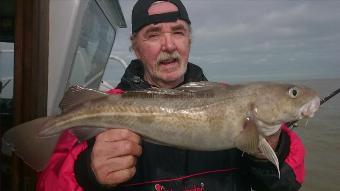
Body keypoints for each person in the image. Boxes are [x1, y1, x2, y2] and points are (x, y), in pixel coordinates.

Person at [36, 0, 305, 190]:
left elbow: (285, 184)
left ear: (189, 41)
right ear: (135, 48)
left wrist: (274, 150)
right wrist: (86, 174)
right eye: (153, 34)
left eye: (178, 32)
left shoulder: (233, 99)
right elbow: (48, 185)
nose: (168, 45)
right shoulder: (102, 106)